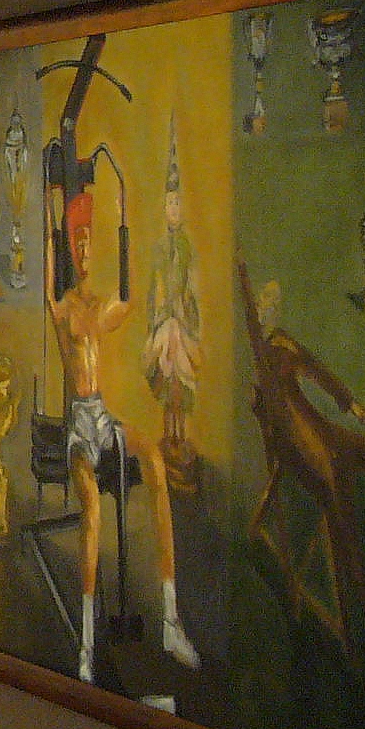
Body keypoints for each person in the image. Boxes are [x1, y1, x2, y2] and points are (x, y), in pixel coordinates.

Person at [46, 186, 199, 681]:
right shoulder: (62, 308)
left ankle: (170, 620)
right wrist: (52, 209)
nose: (85, 253)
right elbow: (50, 273)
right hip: (79, 426)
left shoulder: (98, 307)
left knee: (153, 460)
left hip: (103, 416)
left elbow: (129, 299)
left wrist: (126, 223)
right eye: (78, 245)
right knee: (92, 510)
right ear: (70, 250)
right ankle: (87, 645)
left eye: (90, 245)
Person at [237, 262, 365, 646]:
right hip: (301, 449)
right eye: (265, 301)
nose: (270, 307)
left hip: (321, 431)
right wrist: (262, 410)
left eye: (274, 302)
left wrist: (352, 405)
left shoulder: (283, 343)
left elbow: (316, 371)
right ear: (258, 309)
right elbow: (270, 418)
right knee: (345, 534)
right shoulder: (260, 357)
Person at [142, 119, 202, 490]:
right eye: (169, 203)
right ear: (163, 208)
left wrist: (184, 308)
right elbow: (155, 289)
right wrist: (162, 313)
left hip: (181, 319)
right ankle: (168, 436)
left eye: (177, 203)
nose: (173, 208)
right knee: (166, 381)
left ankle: (181, 436)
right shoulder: (159, 249)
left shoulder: (187, 248)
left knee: (182, 381)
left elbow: (192, 287)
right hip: (166, 321)